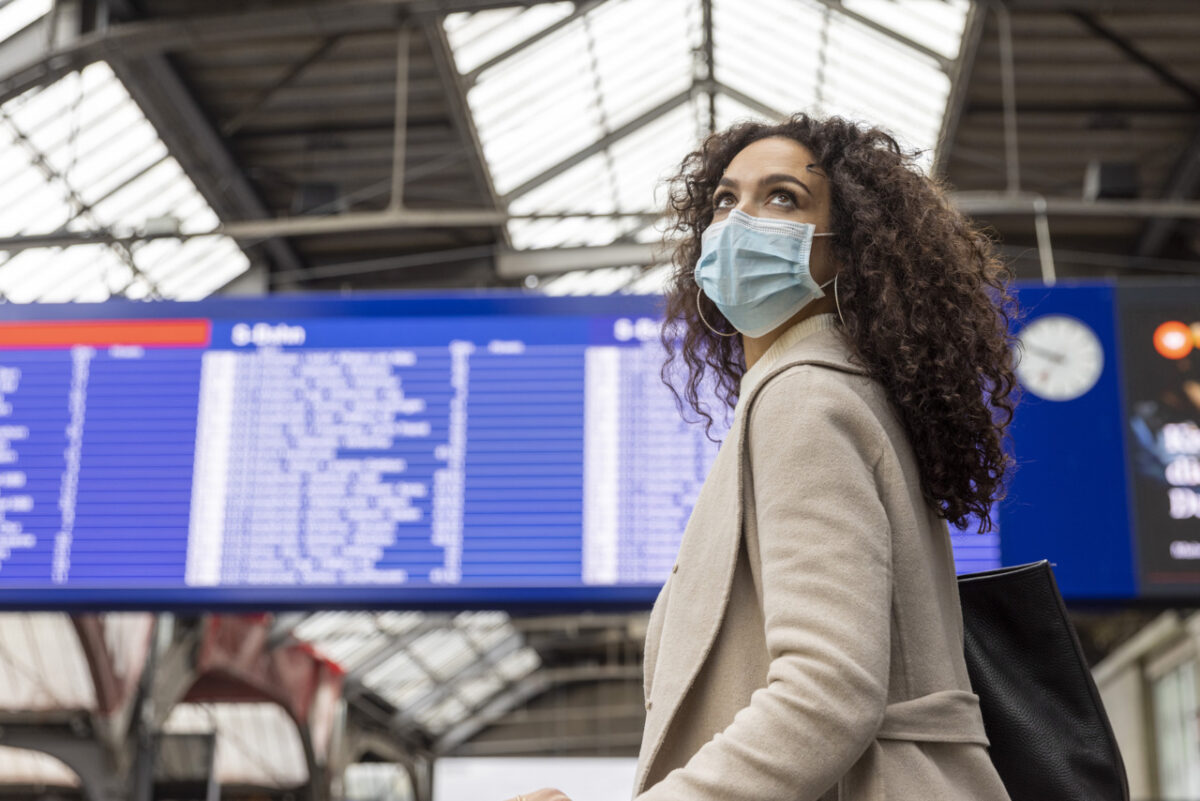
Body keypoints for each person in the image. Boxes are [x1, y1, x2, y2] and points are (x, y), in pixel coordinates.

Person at [510, 114, 1019, 801]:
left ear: (848, 251)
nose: (739, 221)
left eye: (782, 197)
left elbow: (827, 692)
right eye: (725, 199)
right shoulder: (843, 394)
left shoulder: (802, 398)